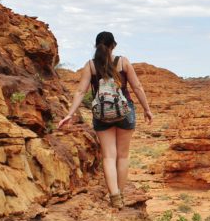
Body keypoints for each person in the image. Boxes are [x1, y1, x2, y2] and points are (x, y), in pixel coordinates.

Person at [58, 31, 153, 208]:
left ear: (96, 46)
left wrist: (70, 114)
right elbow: (137, 87)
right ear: (113, 45)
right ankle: (121, 196)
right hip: (125, 112)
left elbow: (80, 91)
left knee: (109, 157)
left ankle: (114, 197)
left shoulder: (91, 66)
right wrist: (147, 110)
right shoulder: (123, 62)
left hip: (101, 115)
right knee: (122, 157)